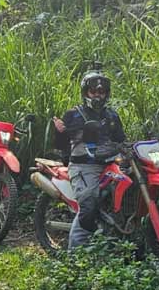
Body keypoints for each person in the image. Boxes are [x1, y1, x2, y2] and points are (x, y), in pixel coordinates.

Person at [53, 68, 126, 248]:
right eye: (94, 91)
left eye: (101, 92)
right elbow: (59, 144)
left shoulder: (112, 115)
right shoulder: (73, 114)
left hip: (110, 163)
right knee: (88, 204)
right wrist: (60, 131)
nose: (97, 95)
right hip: (84, 165)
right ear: (86, 92)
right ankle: (75, 253)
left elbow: (121, 140)